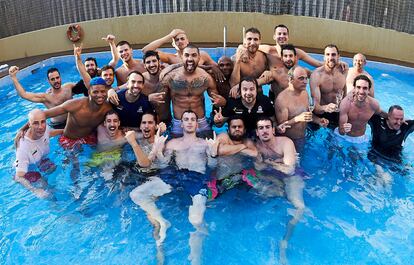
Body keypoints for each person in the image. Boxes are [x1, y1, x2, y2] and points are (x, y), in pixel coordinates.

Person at [130, 110, 219, 264]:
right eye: (186, 119)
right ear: (181, 123)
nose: (190, 122)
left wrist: (213, 154)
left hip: (196, 179)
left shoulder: (205, 143)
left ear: (197, 125)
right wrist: (158, 150)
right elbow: (164, 164)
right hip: (176, 176)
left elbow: (212, 166)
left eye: (193, 119)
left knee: (196, 221)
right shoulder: (172, 143)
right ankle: (162, 221)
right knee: (136, 194)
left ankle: (195, 259)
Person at [254, 116, 305, 264]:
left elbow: (289, 170)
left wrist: (270, 163)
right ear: (257, 132)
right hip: (272, 177)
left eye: (267, 127)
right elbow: (258, 168)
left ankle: (285, 241)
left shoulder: (285, 143)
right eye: (261, 128)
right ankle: (280, 194)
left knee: (300, 207)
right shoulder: (256, 147)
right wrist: (276, 163)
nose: (264, 131)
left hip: (292, 177)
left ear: (273, 130)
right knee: (259, 192)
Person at [161, 44, 226, 138]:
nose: (190, 58)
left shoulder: (206, 78)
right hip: (179, 123)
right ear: (182, 57)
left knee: (211, 150)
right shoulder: (170, 77)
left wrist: (222, 102)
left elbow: (217, 103)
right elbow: (161, 102)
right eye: (187, 55)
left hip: (201, 122)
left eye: (194, 55)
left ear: (199, 57)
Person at [42, 77, 112, 149]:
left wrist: (112, 91)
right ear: (89, 92)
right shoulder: (76, 105)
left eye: (102, 91)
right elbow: (46, 114)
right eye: (95, 92)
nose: (100, 95)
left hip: (89, 138)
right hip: (69, 140)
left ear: (106, 91)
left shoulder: (108, 107)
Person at [275, 66, 328, 152]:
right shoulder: (282, 100)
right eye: (301, 78)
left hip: (303, 137)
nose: (305, 82)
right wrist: (297, 119)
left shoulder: (304, 93)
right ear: (290, 79)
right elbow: (281, 128)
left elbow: (307, 115)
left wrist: (318, 120)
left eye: (306, 78)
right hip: (289, 142)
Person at [14, 109, 63, 198]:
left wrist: (64, 131)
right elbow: (18, 177)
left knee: (55, 169)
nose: (40, 127)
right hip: (29, 170)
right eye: (36, 123)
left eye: (42, 122)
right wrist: (35, 191)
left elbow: (49, 133)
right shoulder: (23, 147)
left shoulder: (44, 128)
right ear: (29, 125)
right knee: (47, 191)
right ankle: (57, 208)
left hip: (41, 160)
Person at [142, 29, 223, 81]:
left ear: (187, 41)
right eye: (176, 40)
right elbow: (146, 50)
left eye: (182, 39)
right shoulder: (171, 58)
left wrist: (213, 68)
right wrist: (170, 35)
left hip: (197, 93)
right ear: (173, 44)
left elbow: (220, 69)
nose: (180, 41)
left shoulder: (202, 55)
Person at [9, 66, 74, 128]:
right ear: (49, 81)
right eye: (52, 79)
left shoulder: (69, 87)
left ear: (60, 77)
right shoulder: (46, 97)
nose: (56, 81)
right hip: (58, 125)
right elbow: (24, 94)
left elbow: (83, 85)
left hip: (73, 120)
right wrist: (13, 77)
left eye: (57, 78)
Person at [310, 44, 348, 128]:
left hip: (337, 112)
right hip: (321, 114)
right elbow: (315, 108)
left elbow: (344, 88)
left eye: (333, 54)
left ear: (338, 56)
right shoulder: (316, 75)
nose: (330, 57)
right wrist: (325, 107)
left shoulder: (344, 69)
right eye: (327, 54)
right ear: (324, 57)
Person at [337, 75, 383, 144]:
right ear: (354, 88)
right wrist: (344, 129)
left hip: (360, 139)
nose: (361, 91)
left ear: (369, 90)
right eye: (358, 87)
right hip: (343, 137)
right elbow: (341, 131)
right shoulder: (346, 103)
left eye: (365, 88)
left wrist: (397, 118)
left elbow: (381, 113)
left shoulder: (374, 104)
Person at [259, 24, 324, 67]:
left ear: (288, 37)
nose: (282, 36)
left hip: (292, 86)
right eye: (279, 34)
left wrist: (332, 63)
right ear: (274, 37)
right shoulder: (269, 50)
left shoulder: (297, 52)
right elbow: (252, 47)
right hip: (275, 88)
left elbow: (318, 64)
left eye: (284, 34)